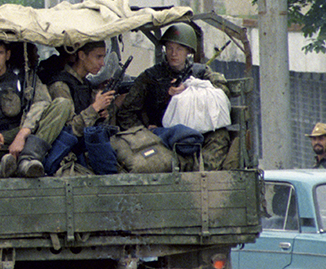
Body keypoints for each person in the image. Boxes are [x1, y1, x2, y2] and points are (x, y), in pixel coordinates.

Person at [116, 23, 232, 169]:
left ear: (188, 51)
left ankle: (201, 178)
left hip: (198, 132)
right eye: (170, 48)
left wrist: (191, 87)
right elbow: (126, 113)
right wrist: (146, 131)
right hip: (163, 136)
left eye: (179, 49)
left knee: (220, 136)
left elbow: (222, 91)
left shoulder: (201, 73)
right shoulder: (150, 77)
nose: (173, 53)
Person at [0, 39, 73, 178]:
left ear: (8, 55)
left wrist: (22, 134)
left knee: (62, 104)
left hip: (22, 138)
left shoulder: (24, 77)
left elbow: (42, 103)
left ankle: (27, 160)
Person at [48, 41, 116, 137]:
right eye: (98, 57)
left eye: (103, 58)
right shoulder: (61, 85)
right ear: (82, 55)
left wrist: (101, 114)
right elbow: (68, 130)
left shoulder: (86, 84)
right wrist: (95, 108)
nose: (102, 63)